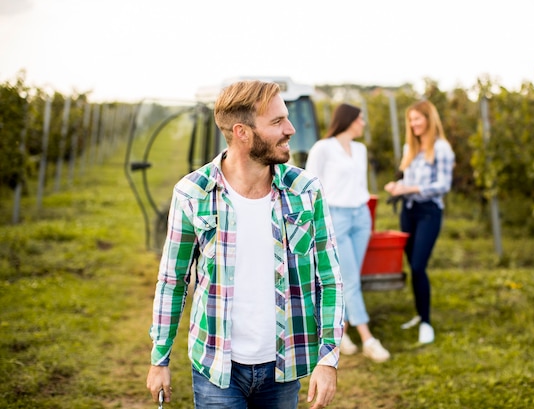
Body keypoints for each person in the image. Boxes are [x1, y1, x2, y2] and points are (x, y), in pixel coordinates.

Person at [146, 80, 345, 409]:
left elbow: (330, 278)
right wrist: (159, 359)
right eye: (277, 121)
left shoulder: (306, 190)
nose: (291, 129)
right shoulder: (192, 193)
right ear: (242, 132)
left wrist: (328, 359)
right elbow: (173, 280)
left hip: (284, 367)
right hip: (216, 367)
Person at [305, 103, 390, 363]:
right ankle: (368, 339)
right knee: (350, 280)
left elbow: (360, 185)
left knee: (350, 278)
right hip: (337, 218)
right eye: (360, 119)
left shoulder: (361, 149)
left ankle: (340, 333)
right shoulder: (323, 148)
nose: (363, 123)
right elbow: (310, 184)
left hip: (360, 216)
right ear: (349, 120)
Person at [383, 100, 454, 345]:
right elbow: (405, 177)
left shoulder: (442, 148)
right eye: (411, 119)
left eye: (418, 119)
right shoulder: (409, 147)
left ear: (429, 119)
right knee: (412, 264)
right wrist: (396, 187)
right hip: (408, 210)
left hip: (428, 212)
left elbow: (444, 185)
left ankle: (426, 322)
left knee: (418, 265)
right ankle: (420, 313)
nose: (413, 124)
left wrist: (409, 188)